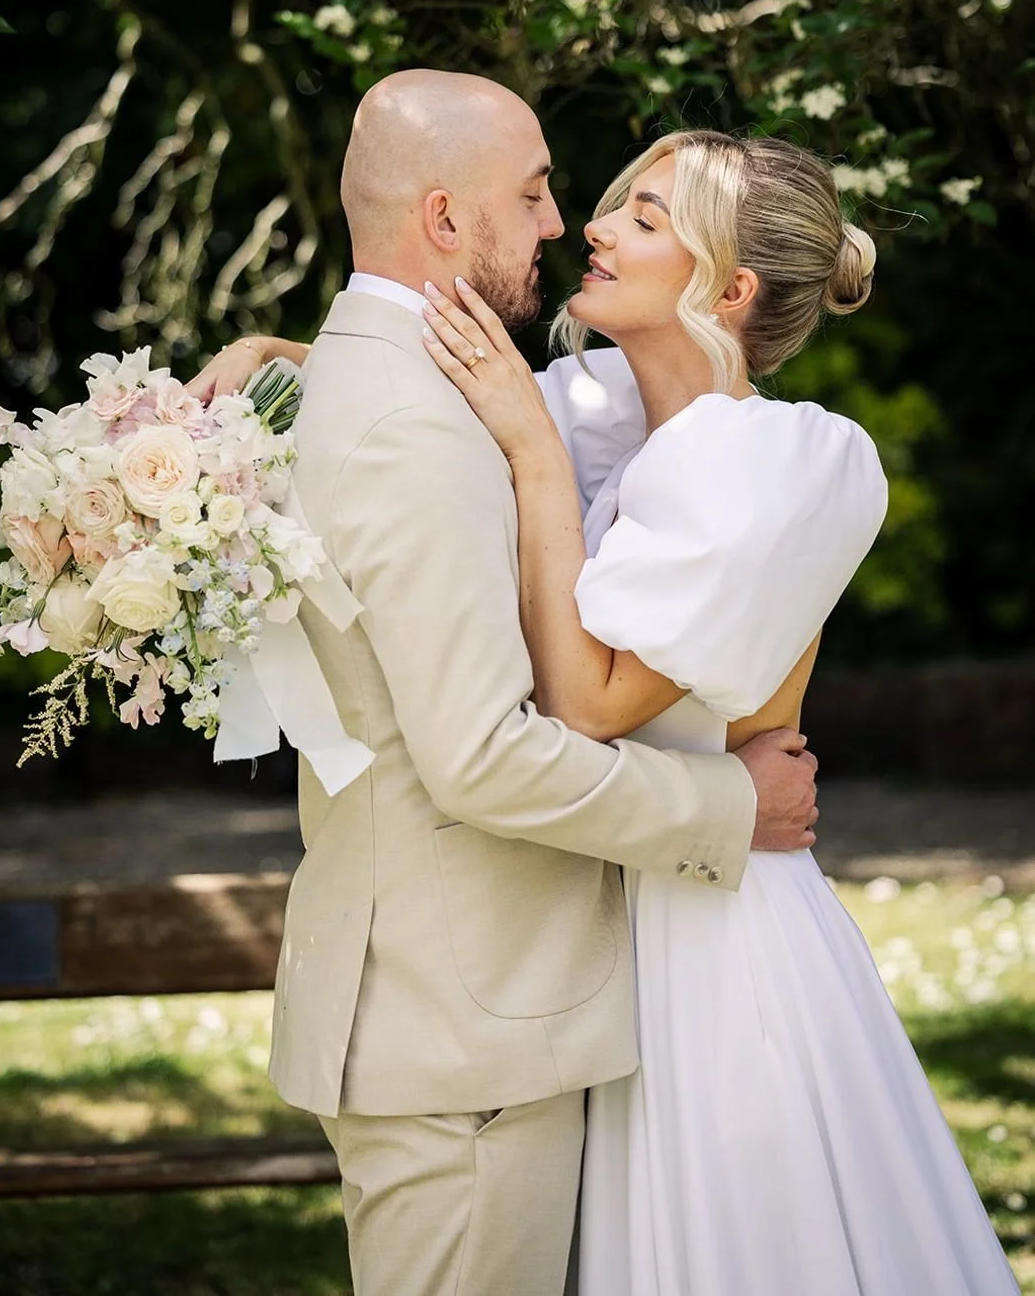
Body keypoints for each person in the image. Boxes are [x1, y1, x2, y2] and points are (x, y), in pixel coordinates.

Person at [185, 71, 821, 1296]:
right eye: (532, 193)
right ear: (441, 218)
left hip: (467, 1013)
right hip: (462, 1040)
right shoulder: (417, 426)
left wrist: (268, 353)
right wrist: (735, 808)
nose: (557, 220)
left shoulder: (395, 382)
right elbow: (480, 755)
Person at [421, 128, 1020, 1295]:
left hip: (709, 943)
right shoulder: (595, 411)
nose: (592, 229)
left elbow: (588, 705)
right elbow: (416, 407)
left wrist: (535, 464)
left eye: (644, 221)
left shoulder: (779, 461)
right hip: (582, 925)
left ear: (729, 290)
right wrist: (262, 361)